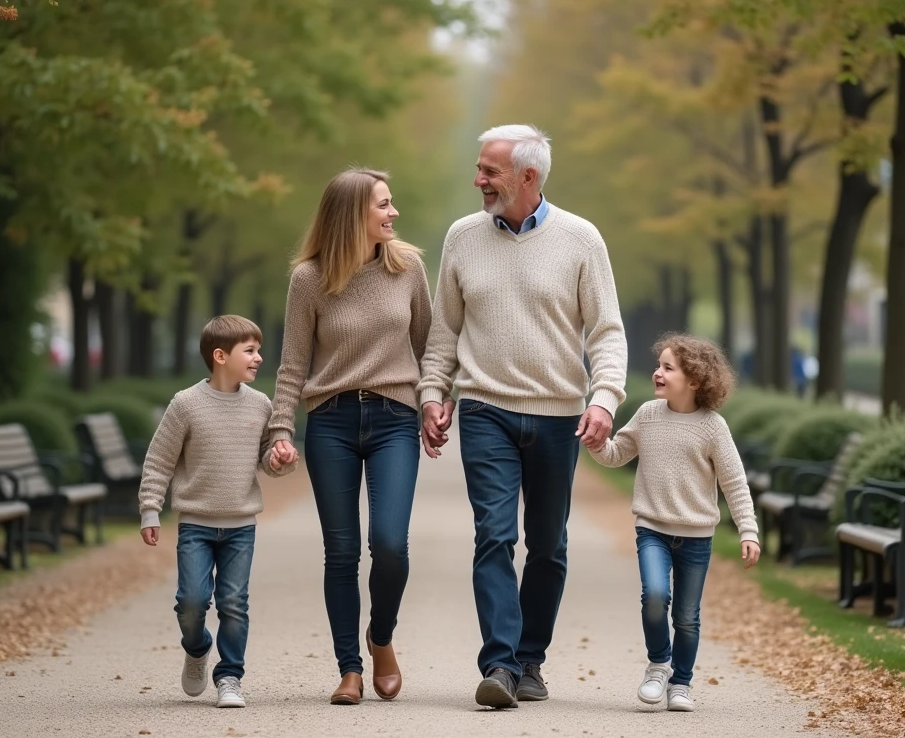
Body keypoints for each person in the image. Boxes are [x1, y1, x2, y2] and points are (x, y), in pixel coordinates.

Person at [419, 124, 627, 709]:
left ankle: (530, 659)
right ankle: (500, 664)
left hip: (559, 415)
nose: (478, 180)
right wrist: (432, 392)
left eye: (490, 171)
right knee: (494, 535)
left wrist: (604, 399)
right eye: (479, 168)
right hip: (485, 409)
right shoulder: (462, 237)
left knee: (548, 545)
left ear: (528, 176)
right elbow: (444, 331)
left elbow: (607, 333)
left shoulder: (582, 239)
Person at [268, 168, 432, 706]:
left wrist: (435, 401)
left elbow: (430, 348)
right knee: (340, 551)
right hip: (331, 421)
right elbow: (293, 364)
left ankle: (380, 637)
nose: (393, 212)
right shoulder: (308, 279)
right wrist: (280, 430)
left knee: (389, 543)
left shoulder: (407, 268)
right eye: (383, 204)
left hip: (394, 418)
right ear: (351, 214)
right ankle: (349, 669)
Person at [589, 333, 760, 713]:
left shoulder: (713, 427)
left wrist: (748, 530)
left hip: (696, 537)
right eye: (658, 365)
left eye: (668, 368)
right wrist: (597, 443)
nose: (658, 373)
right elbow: (617, 454)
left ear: (694, 380)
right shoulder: (648, 415)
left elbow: (734, 482)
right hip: (652, 528)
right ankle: (658, 666)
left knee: (686, 617)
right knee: (654, 596)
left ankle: (681, 683)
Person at [138, 315, 297, 709]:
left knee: (233, 603)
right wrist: (150, 509)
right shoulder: (186, 404)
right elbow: (159, 460)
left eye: (259, 350)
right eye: (250, 350)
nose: (259, 358)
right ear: (220, 356)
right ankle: (197, 648)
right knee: (191, 602)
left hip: (241, 526)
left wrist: (281, 460)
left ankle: (230, 677)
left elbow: (267, 459)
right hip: (196, 524)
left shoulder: (260, 404)